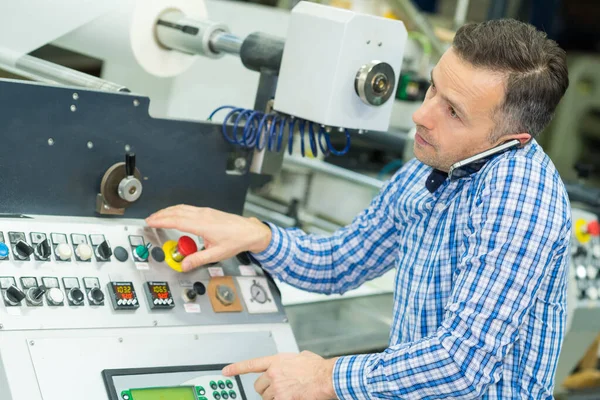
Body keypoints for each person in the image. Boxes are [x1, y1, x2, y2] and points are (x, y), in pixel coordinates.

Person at [146, 18, 571, 399]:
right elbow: (340, 262)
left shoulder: (521, 194)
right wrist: (260, 235)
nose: (422, 115)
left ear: (510, 139)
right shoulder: (434, 164)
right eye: (433, 88)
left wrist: (323, 377)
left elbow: (459, 364)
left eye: (453, 112)